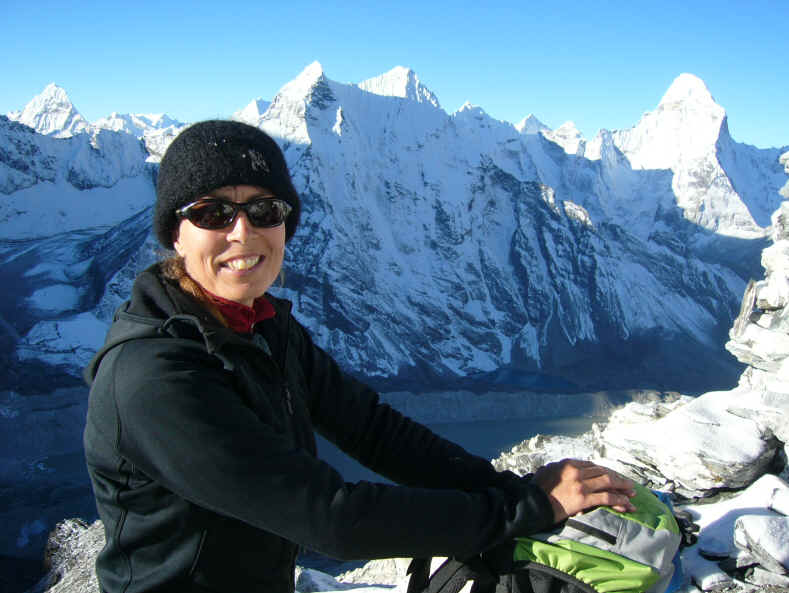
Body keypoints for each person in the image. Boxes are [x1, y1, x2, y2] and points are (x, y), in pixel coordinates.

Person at [83, 120, 636, 593]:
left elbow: (373, 429)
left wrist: (506, 488)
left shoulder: (263, 326)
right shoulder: (154, 377)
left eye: (265, 208)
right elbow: (331, 519)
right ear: (175, 234)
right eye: (211, 213)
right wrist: (527, 512)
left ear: (286, 224)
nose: (242, 231)